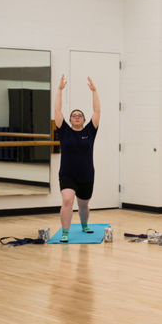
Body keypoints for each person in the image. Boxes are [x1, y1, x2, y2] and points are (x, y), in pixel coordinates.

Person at [53, 75, 101, 241]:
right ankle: (65, 233)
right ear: (70, 119)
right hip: (67, 174)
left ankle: (84, 225)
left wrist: (94, 91)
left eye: (80, 115)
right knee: (67, 200)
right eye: (74, 115)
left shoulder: (90, 131)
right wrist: (59, 89)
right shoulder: (64, 130)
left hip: (86, 174)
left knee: (83, 205)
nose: (77, 116)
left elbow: (97, 111)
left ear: (84, 119)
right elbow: (57, 110)